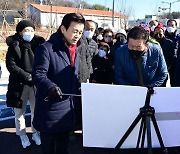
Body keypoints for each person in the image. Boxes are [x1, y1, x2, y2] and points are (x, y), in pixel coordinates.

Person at [32, 13, 91, 154]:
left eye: (81, 32)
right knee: (49, 149)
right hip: (50, 108)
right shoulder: (46, 48)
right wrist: (50, 86)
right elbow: (38, 74)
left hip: (68, 109)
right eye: (74, 31)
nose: (77, 35)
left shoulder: (80, 48)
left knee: (63, 148)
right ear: (63, 29)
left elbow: (82, 70)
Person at [5, 20, 45, 148]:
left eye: (32, 30)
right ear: (20, 32)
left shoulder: (38, 44)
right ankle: (22, 134)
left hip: (35, 83)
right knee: (19, 112)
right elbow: (11, 65)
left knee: (36, 110)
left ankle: (35, 132)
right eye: (27, 30)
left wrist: (37, 76)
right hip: (19, 83)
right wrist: (26, 75)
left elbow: (43, 62)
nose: (30, 33)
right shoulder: (14, 45)